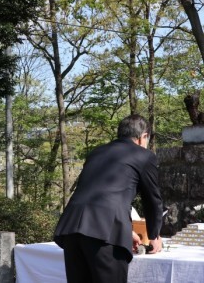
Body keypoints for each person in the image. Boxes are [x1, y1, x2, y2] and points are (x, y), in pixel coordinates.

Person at [53, 114, 163, 283]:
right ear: (144, 137)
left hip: (72, 228)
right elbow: (152, 200)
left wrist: (126, 231)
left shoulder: (97, 152)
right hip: (104, 235)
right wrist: (154, 236)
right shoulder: (144, 155)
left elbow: (101, 194)